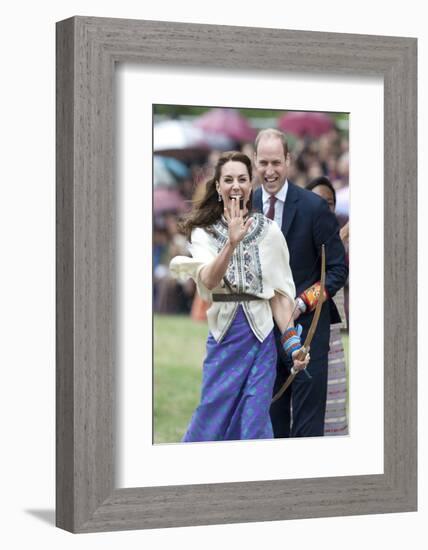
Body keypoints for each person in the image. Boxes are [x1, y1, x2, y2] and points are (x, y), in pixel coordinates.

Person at [170, 151, 309, 442]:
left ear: (251, 184)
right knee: (212, 413)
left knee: (254, 421)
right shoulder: (203, 233)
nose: (236, 185)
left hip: (262, 341)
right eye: (229, 179)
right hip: (224, 338)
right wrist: (231, 244)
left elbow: (279, 298)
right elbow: (208, 279)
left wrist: (294, 345)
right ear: (218, 187)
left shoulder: (270, 232)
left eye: (242, 179)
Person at [253, 129, 348, 438]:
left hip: (307, 330)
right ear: (255, 162)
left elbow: (336, 270)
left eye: (276, 163)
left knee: (306, 431)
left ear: (289, 161)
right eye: (263, 163)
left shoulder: (313, 208)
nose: (270, 171)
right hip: (261, 335)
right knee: (270, 425)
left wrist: (303, 302)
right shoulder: (246, 206)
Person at [306, 176, 349, 436]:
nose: (324, 208)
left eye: (329, 203)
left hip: (332, 337)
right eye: (317, 202)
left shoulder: (337, 243)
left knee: (334, 409)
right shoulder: (299, 239)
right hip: (303, 333)